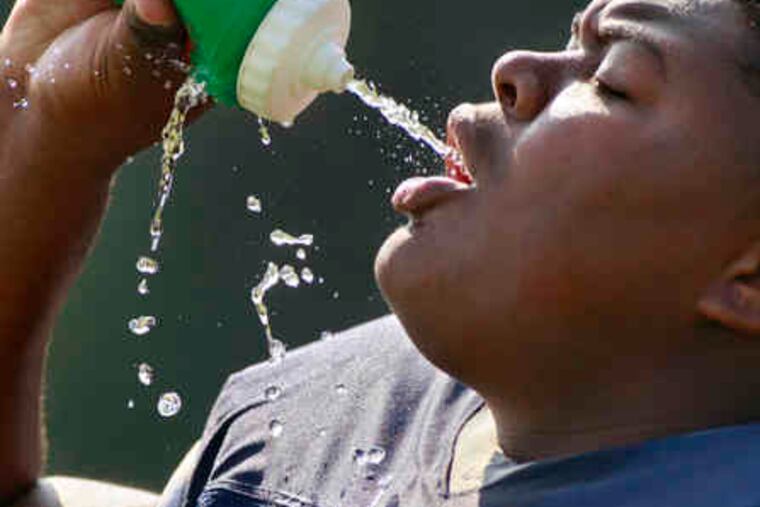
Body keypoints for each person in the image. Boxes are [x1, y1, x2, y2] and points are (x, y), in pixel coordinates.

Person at [3, 0, 760, 504]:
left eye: (613, 80)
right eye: (568, 40)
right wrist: (49, 134)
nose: (516, 70)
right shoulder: (306, 422)